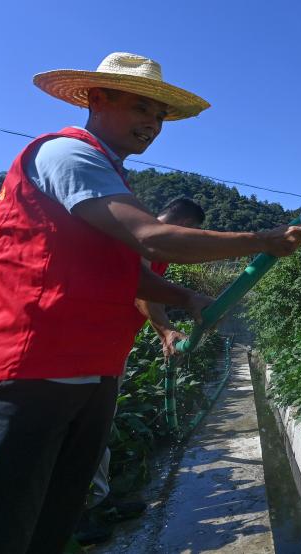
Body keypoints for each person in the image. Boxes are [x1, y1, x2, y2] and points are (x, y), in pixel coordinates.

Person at [0, 52, 301, 554]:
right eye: (141, 107)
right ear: (97, 98)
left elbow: (122, 273)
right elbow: (152, 240)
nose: (153, 124)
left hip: (92, 372)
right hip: (26, 373)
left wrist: (184, 297)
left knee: (50, 525)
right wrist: (262, 240)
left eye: (159, 115)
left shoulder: (108, 176)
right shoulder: (67, 156)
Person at [74, 197, 207, 546]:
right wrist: (166, 329)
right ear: (182, 225)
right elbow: (138, 288)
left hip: (108, 350)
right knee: (79, 433)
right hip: (84, 348)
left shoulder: (156, 250)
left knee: (98, 430)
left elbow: (149, 295)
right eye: (190, 233)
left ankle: (99, 500)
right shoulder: (140, 237)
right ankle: (75, 515)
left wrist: (164, 330)